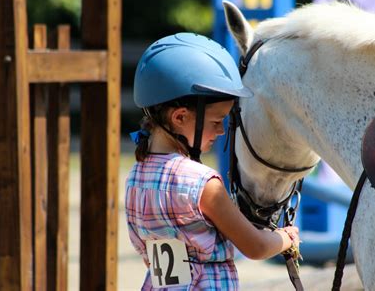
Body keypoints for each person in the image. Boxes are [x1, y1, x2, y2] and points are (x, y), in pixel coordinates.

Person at [125, 33, 300, 290]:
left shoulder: (135, 177)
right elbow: (256, 246)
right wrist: (285, 238)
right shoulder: (203, 184)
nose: (220, 132)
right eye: (216, 122)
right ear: (180, 117)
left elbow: (151, 257)